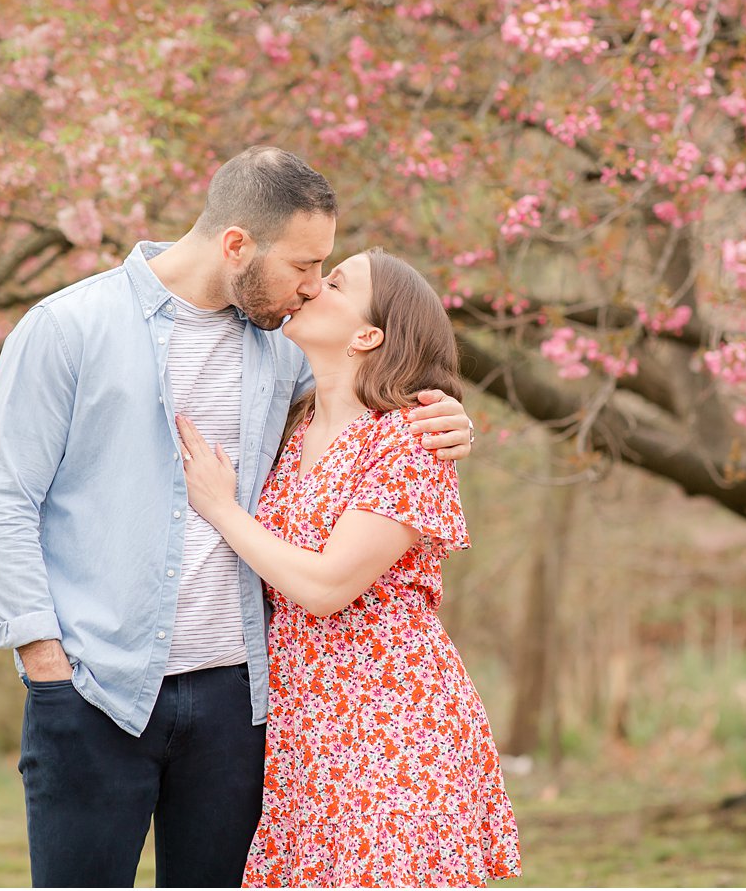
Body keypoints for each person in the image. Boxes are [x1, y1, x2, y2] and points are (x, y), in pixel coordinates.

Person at [0, 146, 475, 888]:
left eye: (322, 271)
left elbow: (377, 382)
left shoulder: (282, 348)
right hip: (93, 687)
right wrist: (46, 662)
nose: (309, 288)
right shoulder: (68, 329)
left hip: (239, 706)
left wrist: (452, 416)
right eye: (303, 266)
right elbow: (3, 501)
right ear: (237, 245)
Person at [176, 247, 522, 888]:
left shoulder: (406, 440)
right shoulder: (294, 424)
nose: (311, 286)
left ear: (368, 335)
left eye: (334, 282)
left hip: (391, 721)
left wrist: (221, 510)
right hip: (306, 726)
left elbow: (326, 585)